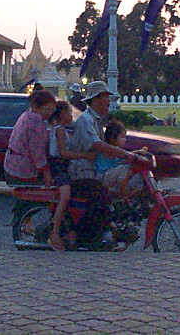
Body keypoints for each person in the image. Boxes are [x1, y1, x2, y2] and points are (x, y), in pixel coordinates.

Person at [68, 81, 137, 249]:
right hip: (81, 170)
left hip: (92, 168)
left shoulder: (96, 120)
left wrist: (128, 154)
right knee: (101, 202)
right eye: (105, 97)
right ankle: (78, 237)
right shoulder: (86, 120)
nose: (108, 101)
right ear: (96, 99)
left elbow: (105, 148)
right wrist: (123, 153)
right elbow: (97, 144)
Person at [46, 100, 92, 251]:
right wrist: (83, 156)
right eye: (69, 113)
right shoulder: (59, 130)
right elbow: (64, 153)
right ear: (63, 114)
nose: (72, 116)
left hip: (64, 166)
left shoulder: (62, 130)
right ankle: (54, 232)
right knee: (65, 196)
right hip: (59, 167)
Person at [4, 89, 56, 187]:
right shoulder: (35, 120)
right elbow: (37, 151)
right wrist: (46, 172)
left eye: (52, 110)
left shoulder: (27, 115)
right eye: (47, 109)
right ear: (36, 107)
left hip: (13, 164)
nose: (50, 113)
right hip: (23, 168)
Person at [96, 119, 144, 198]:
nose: (124, 140)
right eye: (122, 137)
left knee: (135, 173)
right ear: (112, 138)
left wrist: (138, 152)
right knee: (122, 169)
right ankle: (122, 193)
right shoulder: (109, 150)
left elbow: (125, 156)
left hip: (112, 176)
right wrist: (133, 154)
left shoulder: (117, 150)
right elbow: (122, 155)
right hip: (103, 177)